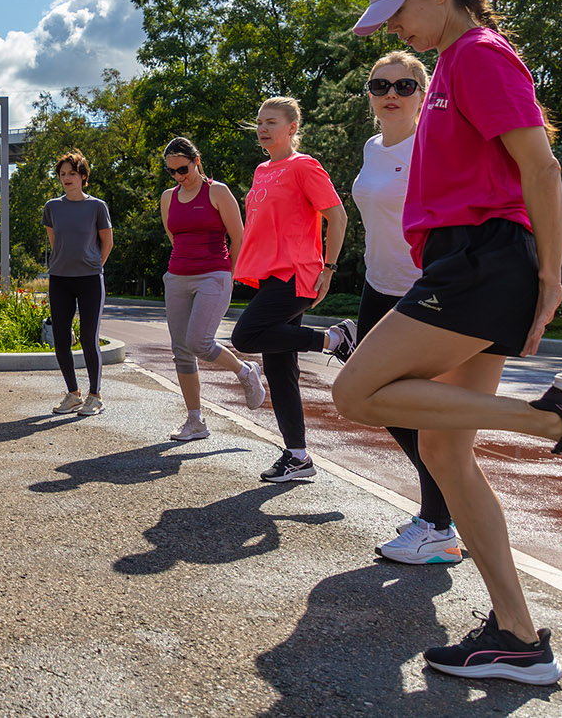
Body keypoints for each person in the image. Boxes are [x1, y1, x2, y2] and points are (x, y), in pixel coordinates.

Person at [334, 0, 562, 684]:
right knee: (446, 452)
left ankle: (557, 421)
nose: (394, 31)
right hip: (466, 259)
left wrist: (550, 275)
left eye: (400, 12)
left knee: (354, 391)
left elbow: (540, 162)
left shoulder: (477, 53)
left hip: (482, 259)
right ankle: (518, 636)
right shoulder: (450, 68)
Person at [349, 52, 460, 564]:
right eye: (380, 85)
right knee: (375, 395)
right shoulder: (373, 147)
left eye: (405, 84)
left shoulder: (433, 143)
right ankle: (439, 514)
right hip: (379, 284)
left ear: (423, 92)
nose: (391, 92)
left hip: (423, 287)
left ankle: (438, 522)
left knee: (410, 404)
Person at [229, 97, 354, 483]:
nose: (263, 128)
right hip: (270, 274)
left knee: (245, 335)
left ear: (292, 128)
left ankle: (334, 338)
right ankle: (298, 457)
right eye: (259, 122)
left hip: (297, 273)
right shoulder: (262, 169)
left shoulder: (304, 166)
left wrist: (329, 268)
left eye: (271, 121)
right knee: (280, 369)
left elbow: (337, 216)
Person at [159, 136, 265, 441]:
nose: (179, 176)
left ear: (196, 160)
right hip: (177, 276)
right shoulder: (168, 197)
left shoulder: (217, 192)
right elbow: (174, 236)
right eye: (172, 172)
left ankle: (245, 371)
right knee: (181, 351)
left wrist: (227, 275)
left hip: (214, 275)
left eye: (183, 168)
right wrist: (182, 266)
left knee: (199, 342)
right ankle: (195, 421)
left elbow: (239, 236)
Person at [43, 150, 113, 416]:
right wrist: (66, 262)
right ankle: (73, 394)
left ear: (83, 176)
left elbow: (107, 243)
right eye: (62, 174)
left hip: (90, 279)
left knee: (87, 337)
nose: (66, 178)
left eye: (72, 173)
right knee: (61, 339)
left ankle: (95, 396)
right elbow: (54, 242)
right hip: (60, 278)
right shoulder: (52, 207)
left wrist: (93, 264)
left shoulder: (97, 206)